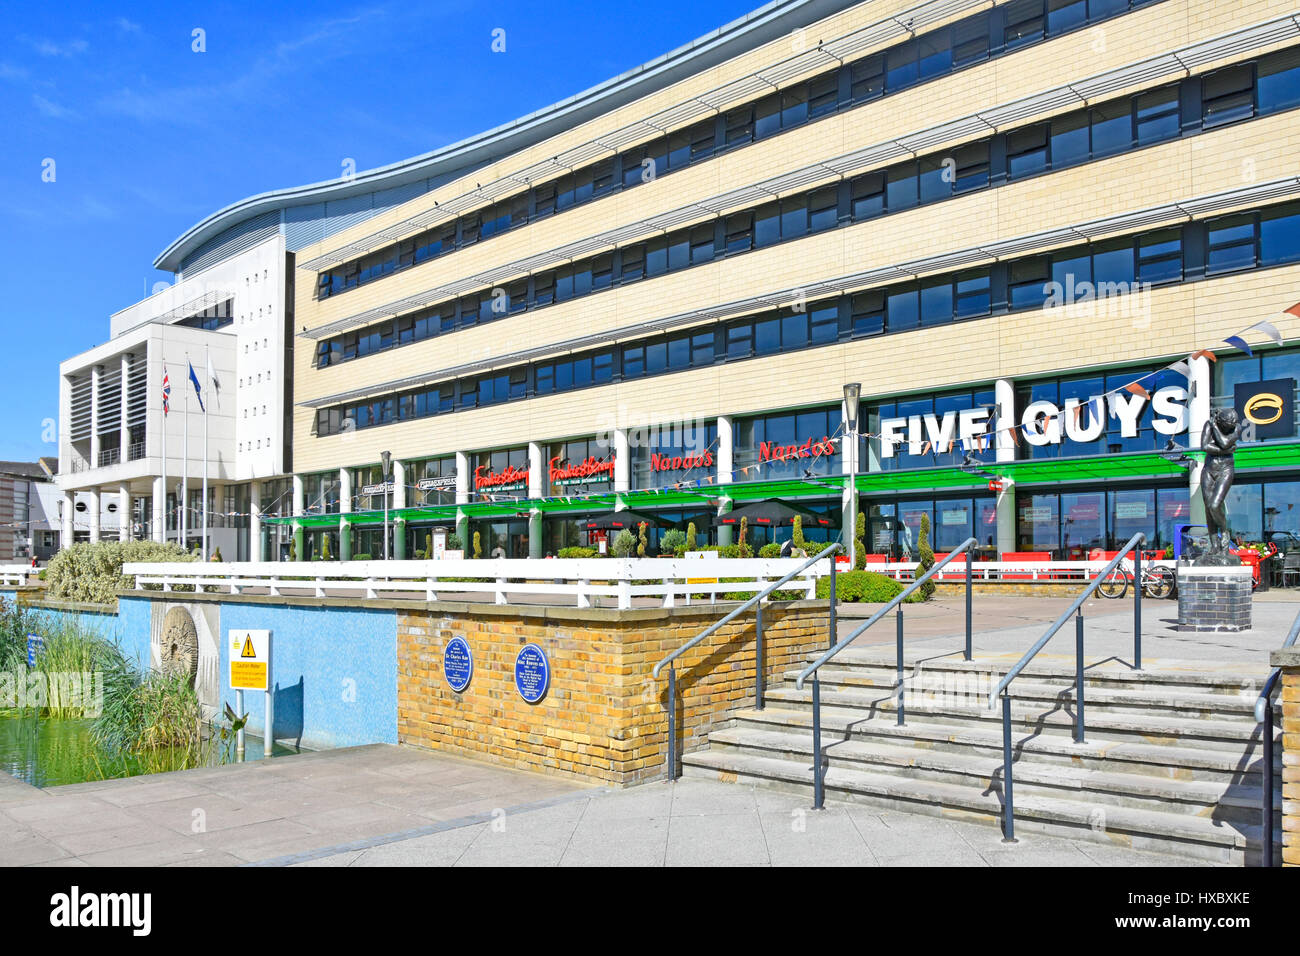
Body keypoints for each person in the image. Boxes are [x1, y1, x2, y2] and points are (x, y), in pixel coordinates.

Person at [1199, 407, 1241, 564]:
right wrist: (1228, 450)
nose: (1231, 427)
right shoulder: (1207, 425)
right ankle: (1214, 545)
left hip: (1226, 469)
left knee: (1215, 505)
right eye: (1227, 425)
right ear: (1221, 421)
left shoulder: (1236, 426)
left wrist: (1215, 427)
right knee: (1208, 508)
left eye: (1232, 424)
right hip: (1208, 470)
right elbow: (1204, 447)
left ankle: (1224, 532)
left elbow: (1224, 442)